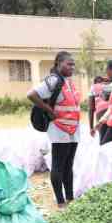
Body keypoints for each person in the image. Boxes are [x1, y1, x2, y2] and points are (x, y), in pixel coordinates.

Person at [27, 51, 80, 208]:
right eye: (68, 64)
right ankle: (60, 201)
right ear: (58, 63)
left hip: (73, 130)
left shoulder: (68, 81)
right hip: (59, 129)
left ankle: (70, 198)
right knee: (58, 165)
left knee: (68, 165)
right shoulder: (54, 80)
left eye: (73, 64)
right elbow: (31, 94)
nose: (72, 67)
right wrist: (48, 110)